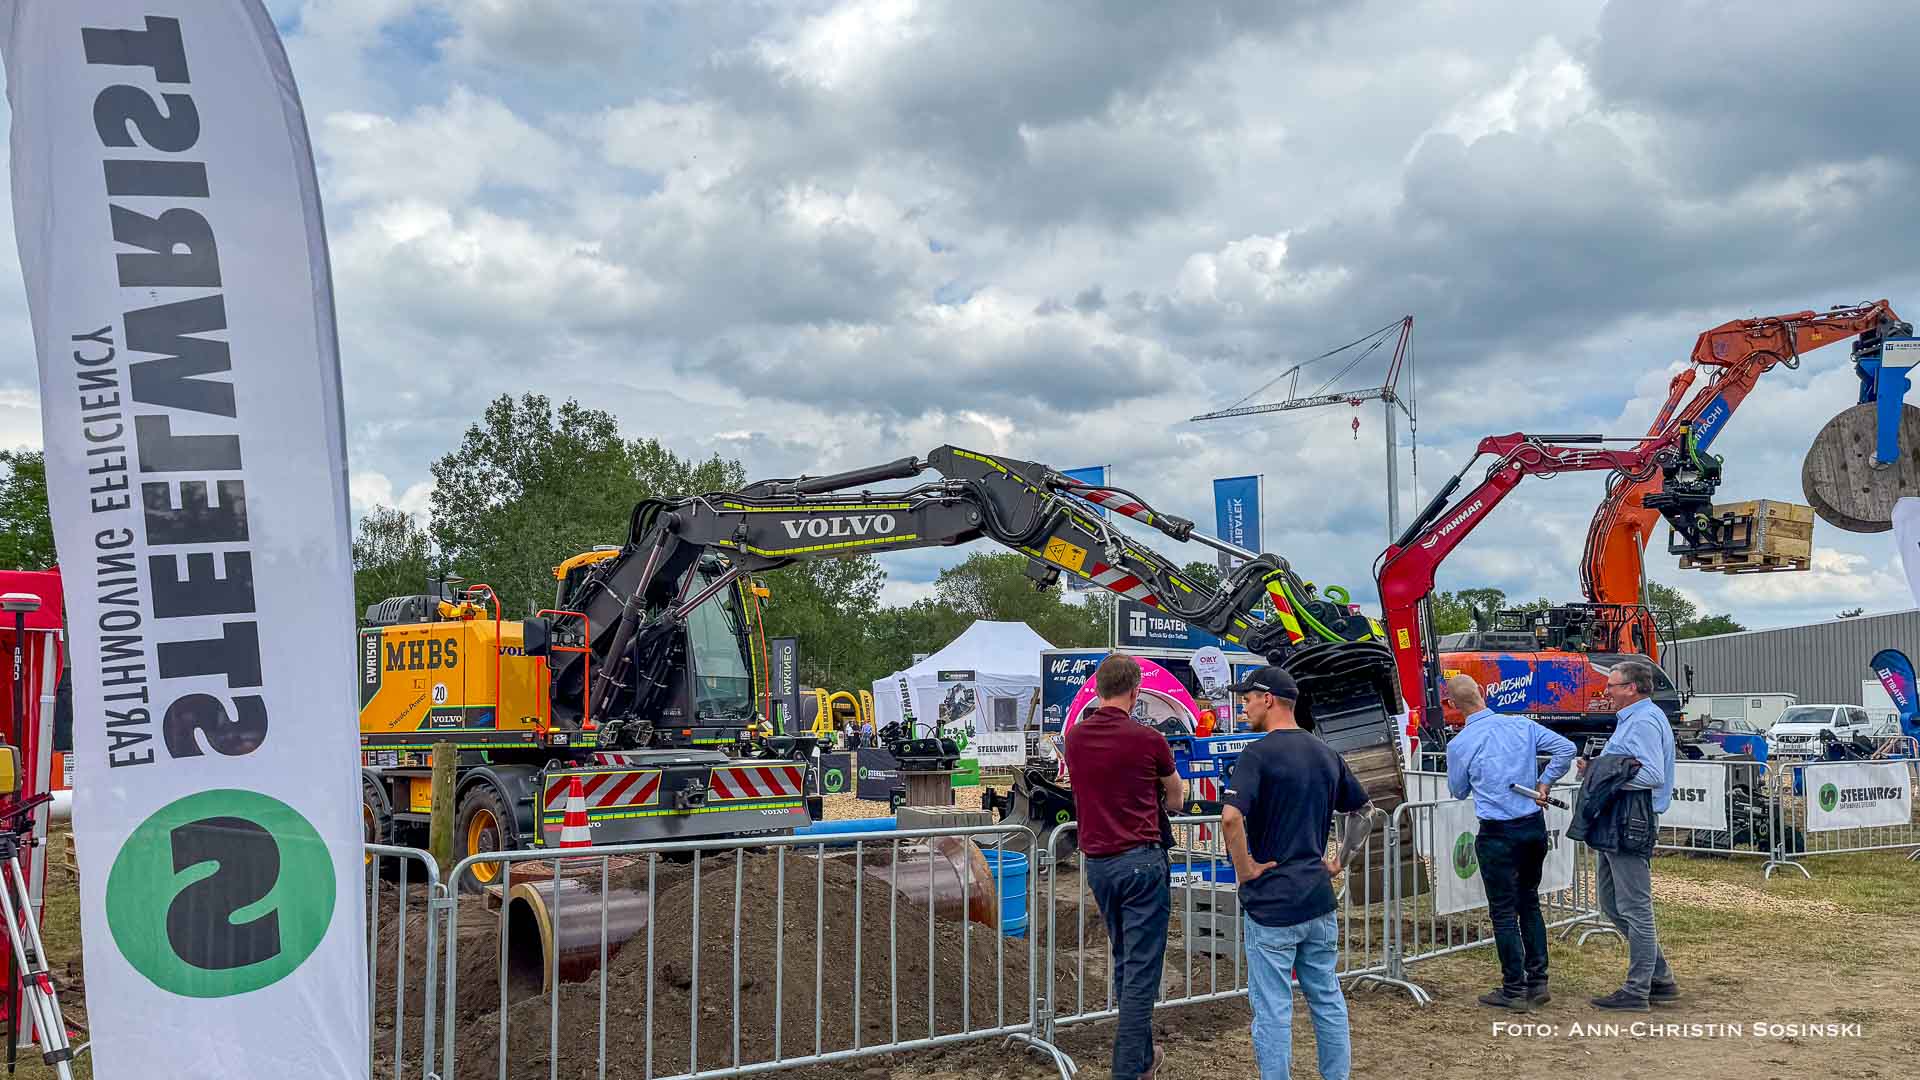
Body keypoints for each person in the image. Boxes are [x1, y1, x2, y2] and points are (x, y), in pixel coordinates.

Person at [1220, 666, 1373, 1080]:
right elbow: (1363, 811)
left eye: (1248, 697)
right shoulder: (1326, 753)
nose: (1244, 705)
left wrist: (1245, 868)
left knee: (1272, 1009)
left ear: (1268, 699)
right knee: (1327, 998)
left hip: (1272, 904)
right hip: (1317, 900)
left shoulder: (1256, 754)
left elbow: (1231, 818)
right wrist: (1340, 860)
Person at [1062, 654, 1183, 1080]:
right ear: (1135, 692)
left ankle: (1144, 1059)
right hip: (1141, 860)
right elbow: (1176, 798)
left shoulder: (1075, 738)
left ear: (1098, 688)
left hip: (1099, 864)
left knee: (1126, 959)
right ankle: (1129, 1068)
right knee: (1142, 968)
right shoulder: (1148, 739)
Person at [1442, 675, 1576, 1010]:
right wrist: (1545, 782)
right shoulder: (1522, 726)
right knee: (1528, 901)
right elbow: (1566, 749)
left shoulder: (1460, 744)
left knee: (1503, 912)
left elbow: (1458, 790)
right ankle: (1538, 980)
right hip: (1531, 825)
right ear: (1484, 693)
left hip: (1497, 832)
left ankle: (1513, 988)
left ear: (1453, 706)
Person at [1579, 659, 1679, 1011]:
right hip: (1618, 819)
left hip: (1629, 821)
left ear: (1632, 688)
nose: (1607, 691)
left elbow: (1651, 774)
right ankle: (1660, 978)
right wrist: (1595, 771)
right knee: (1611, 904)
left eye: (1612, 686)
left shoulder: (1644, 721)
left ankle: (1637, 990)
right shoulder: (1636, 720)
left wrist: (1603, 778)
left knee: (1635, 908)